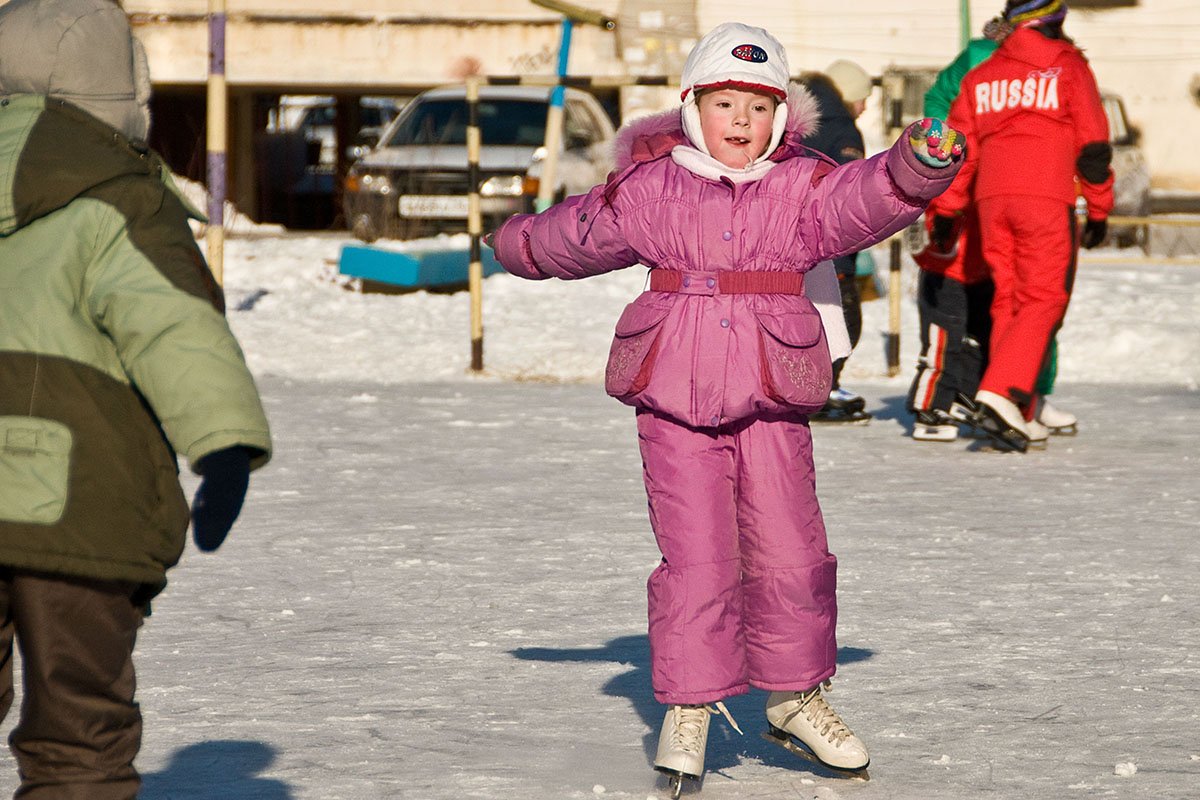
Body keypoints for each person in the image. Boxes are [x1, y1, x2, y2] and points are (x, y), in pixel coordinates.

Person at [489, 21, 963, 791]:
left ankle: (793, 695)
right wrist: (514, 243)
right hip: (672, 395)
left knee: (790, 549)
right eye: (724, 104)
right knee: (697, 557)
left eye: (756, 105)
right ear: (691, 108)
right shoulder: (652, 188)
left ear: (779, 115)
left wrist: (914, 166)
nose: (739, 121)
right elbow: (578, 231)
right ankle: (691, 703)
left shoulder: (803, 188)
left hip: (772, 393)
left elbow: (863, 199)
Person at [0, 1, 272, 797]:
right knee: (77, 732)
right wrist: (223, 446)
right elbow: (173, 329)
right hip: (80, 504)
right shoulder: (123, 198)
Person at [934, 0, 1112, 451]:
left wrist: (948, 212)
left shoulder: (981, 77)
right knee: (1044, 297)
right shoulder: (1067, 65)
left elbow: (959, 153)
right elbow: (1093, 148)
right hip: (1045, 197)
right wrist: (1100, 209)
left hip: (992, 203)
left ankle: (1021, 409)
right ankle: (1002, 391)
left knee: (1009, 299)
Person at [797, 60, 874, 423]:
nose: (865, 107)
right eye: (862, 98)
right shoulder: (843, 131)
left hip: (789, 244)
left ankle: (809, 386)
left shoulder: (794, 119)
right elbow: (849, 195)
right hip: (832, 247)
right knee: (843, 319)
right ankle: (821, 389)